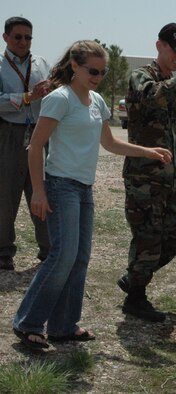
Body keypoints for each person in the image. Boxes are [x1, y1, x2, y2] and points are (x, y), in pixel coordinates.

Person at [12, 40, 172, 349]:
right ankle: (28, 323)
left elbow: (110, 144)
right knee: (62, 257)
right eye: (92, 70)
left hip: (83, 189)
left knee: (80, 258)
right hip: (60, 187)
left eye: (103, 71)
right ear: (75, 66)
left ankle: (63, 327)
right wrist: (38, 192)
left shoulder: (97, 101)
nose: (97, 76)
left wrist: (148, 151)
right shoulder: (60, 99)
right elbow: (34, 148)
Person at [117, 22, 176, 322]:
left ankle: (134, 277)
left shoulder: (173, 83)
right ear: (159, 46)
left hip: (169, 177)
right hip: (144, 177)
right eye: (174, 51)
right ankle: (136, 297)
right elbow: (150, 96)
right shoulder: (141, 76)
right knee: (147, 237)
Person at [0, 17, 51, 271]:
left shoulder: (41, 64)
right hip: (8, 134)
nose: (23, 42)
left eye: (28, 37)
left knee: (41, 191)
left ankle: (49, 251)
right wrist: (27, 97)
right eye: (18, 36)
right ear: (5, 37)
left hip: (39, 134)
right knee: (4, 195)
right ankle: (3, 252)